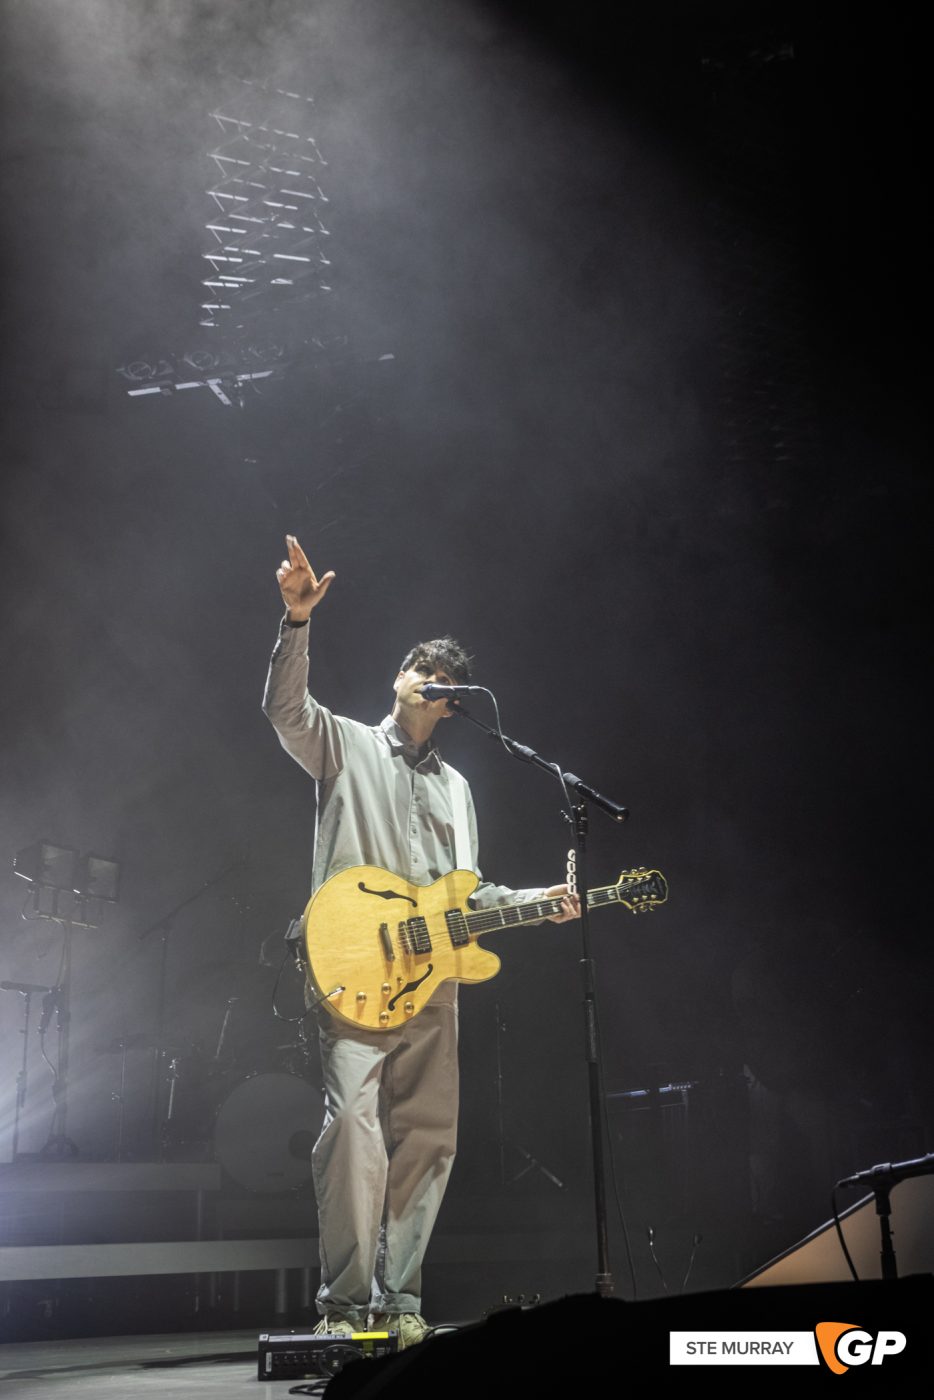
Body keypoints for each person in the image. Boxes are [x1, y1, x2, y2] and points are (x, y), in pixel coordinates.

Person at [263, 534, 578, 1348]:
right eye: (421, 668)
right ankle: (344, 1302)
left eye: (444, 681)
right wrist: (297, 621)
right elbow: (284, 712)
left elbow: (464, 892)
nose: (431, 683)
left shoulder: (460, 788)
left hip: (432, 982)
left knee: (431, 1138)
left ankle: (398, 1304)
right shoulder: (348, 745)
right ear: (400, 680)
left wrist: (536, 902)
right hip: (353, 968)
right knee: (354, 1130)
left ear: (451, 705)